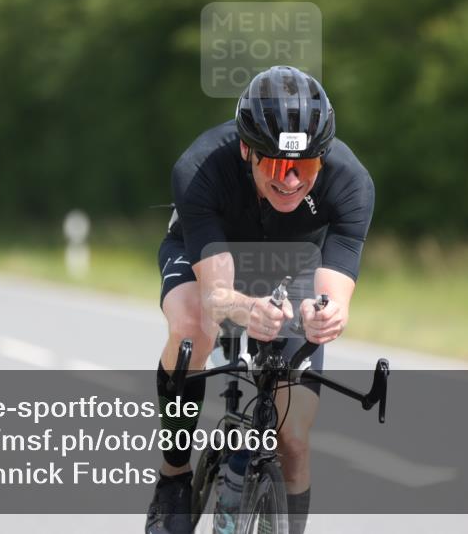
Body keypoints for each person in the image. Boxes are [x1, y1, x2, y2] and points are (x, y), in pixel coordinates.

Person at [145, 66, 375, 534]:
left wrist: (321, 315)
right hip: (212, 255)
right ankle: (173, 474)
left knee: (293, 437)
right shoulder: (201, 167)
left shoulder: (351, 182)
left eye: (306, 166)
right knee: (193, 325)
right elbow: (216, 294)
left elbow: (334, 294)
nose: (290, 180)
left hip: (292, 265)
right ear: (247, 150)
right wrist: (246, 309)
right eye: (274, 165)